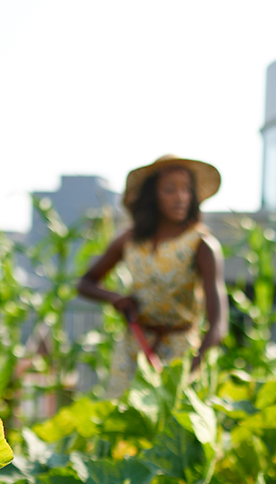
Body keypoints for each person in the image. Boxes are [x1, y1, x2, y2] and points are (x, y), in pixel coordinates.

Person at [77, 155, 229, 398]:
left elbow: (218, 326)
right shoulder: (130, 240)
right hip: (134, 348)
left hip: (180, 354)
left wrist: (191, 369)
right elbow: (85, 283)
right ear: (152, 197)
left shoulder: (201, 245)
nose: (180, 197)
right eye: (170, 190)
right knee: (121, 422)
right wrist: (116, 299)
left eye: (186, 190)